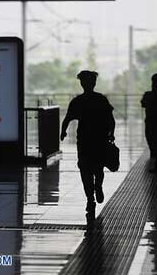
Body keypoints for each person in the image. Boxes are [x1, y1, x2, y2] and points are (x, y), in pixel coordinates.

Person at [60, 70, 115, 226]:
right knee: (98, 168)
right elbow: (111, 119)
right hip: (100, 139)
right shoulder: (101, 99)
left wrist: (63, 132)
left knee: (85, 170)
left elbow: (68, 118)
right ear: (94, 83)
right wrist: (111, 133)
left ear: (82, 83)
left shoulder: (78, 101)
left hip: (84, 141)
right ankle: (98, 187)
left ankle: (90, 199)